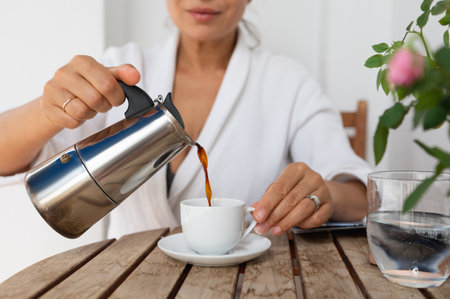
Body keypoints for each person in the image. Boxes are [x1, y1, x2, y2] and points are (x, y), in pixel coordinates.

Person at [0, 0, 370, 238]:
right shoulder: (123, 68)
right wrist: (49, 111)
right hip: (128, 283)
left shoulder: (286, 82)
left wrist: (325, 196)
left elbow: (363, 196)